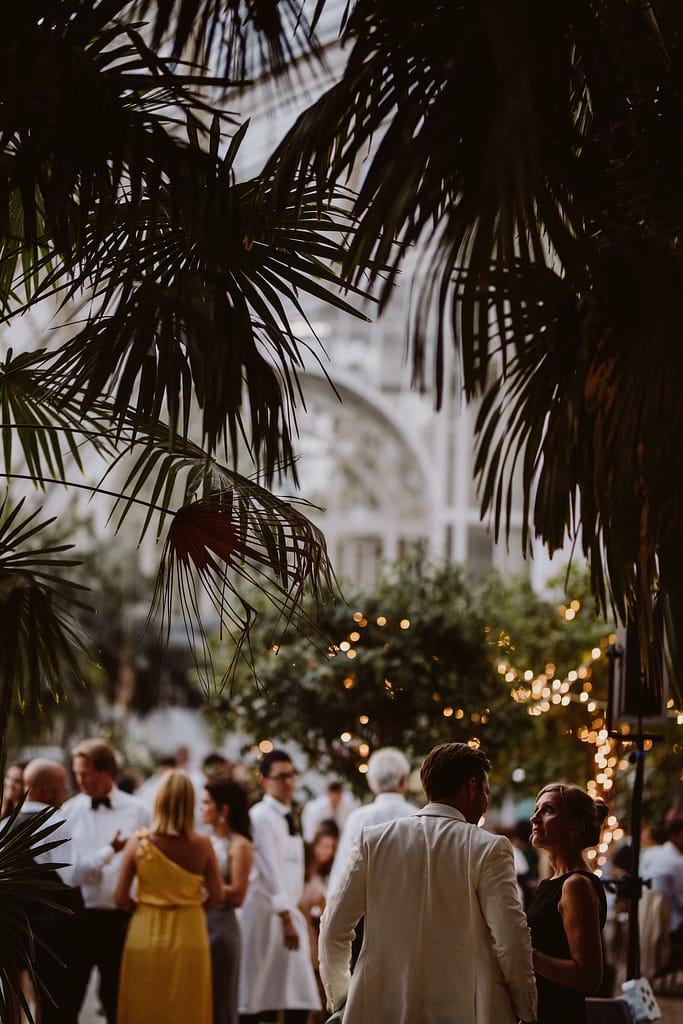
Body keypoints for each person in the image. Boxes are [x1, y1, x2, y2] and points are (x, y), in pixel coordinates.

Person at [319, 742, 537, 1024]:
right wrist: (527, 1009)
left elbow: (333, 931)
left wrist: (343, 1000)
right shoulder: (488, 848)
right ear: (471, 787)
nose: (485, 800)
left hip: (379, 1009)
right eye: (486, 791)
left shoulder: (373, 841)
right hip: (467, 1010)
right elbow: (509, 939)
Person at [115, 769, 223, 1024]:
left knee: (144, 1005)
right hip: (190, 930)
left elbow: (120, 898)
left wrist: (146, 907)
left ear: (158, 801)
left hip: (145, 929)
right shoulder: (203, 845)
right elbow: (216, 896)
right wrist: (191, 907)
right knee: (187, 1008)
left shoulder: (137, 843)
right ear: (190, 804)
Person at [61, 738, 150, 1024]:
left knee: (117, 1001)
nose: (80, 780)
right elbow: (70, 871)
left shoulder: (138, 810)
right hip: (79, 917)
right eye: (77, 773)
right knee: (69, 998)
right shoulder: (69, 812)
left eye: (85, 773)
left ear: (107, 772)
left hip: (120, 917)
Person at [238, 749, 321, 1024]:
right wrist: (286, 915)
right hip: (266, 911)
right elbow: (268, 868)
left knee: (295, 991)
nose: (288, 782)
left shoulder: (287, 814)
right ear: (263, 780)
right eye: (281, 776)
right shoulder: (260, 816)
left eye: (291, 775)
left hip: (287, 911)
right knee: (260, 990)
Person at [527, 782, 609, 1024]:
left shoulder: (576, 886)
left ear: (575, 828)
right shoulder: (552, 883)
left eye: (548, 810)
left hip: (559, 1014)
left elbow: (588, 977)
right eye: (536, 809)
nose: (534, 818)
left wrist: (526, 953)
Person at [11, 758, 84, 1024]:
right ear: (50, 791)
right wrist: (105, 855)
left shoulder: (5, 824)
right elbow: (72, 875)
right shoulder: (54, 822)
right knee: (56, 1003)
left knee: (20, 1003)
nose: (66, 794)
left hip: (14, 928)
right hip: (53, 930)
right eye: (64, 788)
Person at [201, 775, 254, 1024]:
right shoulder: (205, 841)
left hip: (221, 926)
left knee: (220, 1000)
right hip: (198, 924)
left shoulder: (240, 845)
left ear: (223, 808)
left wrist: (203, 886)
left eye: (206, 803)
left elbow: (239, 894)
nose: (201, 809)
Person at [328, 747, 416, 893]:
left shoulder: (359, 818)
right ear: (402, 781)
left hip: (369, 909)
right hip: (411, 907)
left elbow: (343, 874)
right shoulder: (418, 817)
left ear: (372, 783)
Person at [300, 823, 339, 1023]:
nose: (327, 852)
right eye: (323, 845)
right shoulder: (302, 871)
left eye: (331, 847)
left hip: (311, 929)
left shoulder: (323, 875)